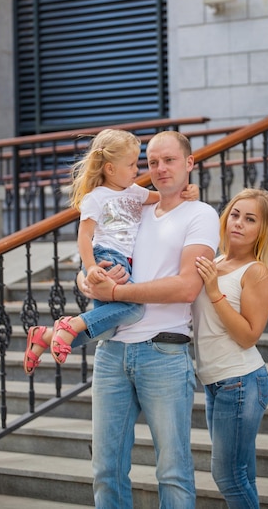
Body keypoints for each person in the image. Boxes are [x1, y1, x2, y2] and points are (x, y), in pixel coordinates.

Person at [79, 130, 220, 509]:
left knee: (172, 473)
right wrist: (87, 277)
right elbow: (98, 256)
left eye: (169, 159)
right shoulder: (133, 207)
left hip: (164, 352)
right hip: (112, 353)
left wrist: (118, 294)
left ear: (190, 163)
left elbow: (187, 287)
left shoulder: (201, 214)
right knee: (105, 471)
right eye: (152, 161)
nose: (159, 168)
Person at [23, 128, 199, 375]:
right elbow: (84, 236)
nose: (137, 170)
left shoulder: (134, 191)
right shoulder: (96, 197)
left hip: (123, 261)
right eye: (130, 165)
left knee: (109, 325)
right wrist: (91, 267)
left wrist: (188, 192)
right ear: (110, 169)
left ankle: (46, 335)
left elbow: (162, 198)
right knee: (133, 309)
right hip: (106, 256)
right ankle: (69, 325)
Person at [193, 188, 268, 509]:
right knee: (243, 476)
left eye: (250, 219)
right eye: (235, 214)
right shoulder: (215, 261)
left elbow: (248, 336)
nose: (239, 223)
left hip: (241, 380)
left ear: (263, 230)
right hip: (216, 382)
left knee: (227, 476)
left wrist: (214, 290)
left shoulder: (256, 272)